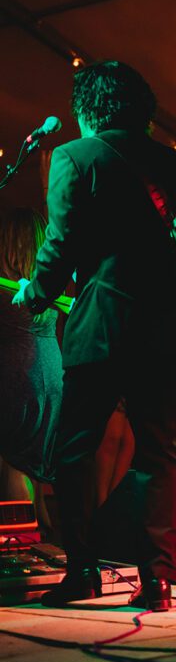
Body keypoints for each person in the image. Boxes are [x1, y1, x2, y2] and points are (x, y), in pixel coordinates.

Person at [13, 61, 176, 610]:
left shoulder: (75, 156)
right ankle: (159, 581)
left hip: (103, 329)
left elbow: (62, 244)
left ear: (88, 107)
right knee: (161, 453)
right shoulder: (175, 162)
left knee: (73, 452)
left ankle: (82, 571)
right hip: (169, 330)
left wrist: (34, 293)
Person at [0, 208, 62, 511]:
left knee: (11, 461)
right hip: (49, 373)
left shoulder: (7, 287)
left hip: (19, 373)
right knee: (29, 460)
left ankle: (19, 541)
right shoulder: (45, 282)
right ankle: (38, 531)